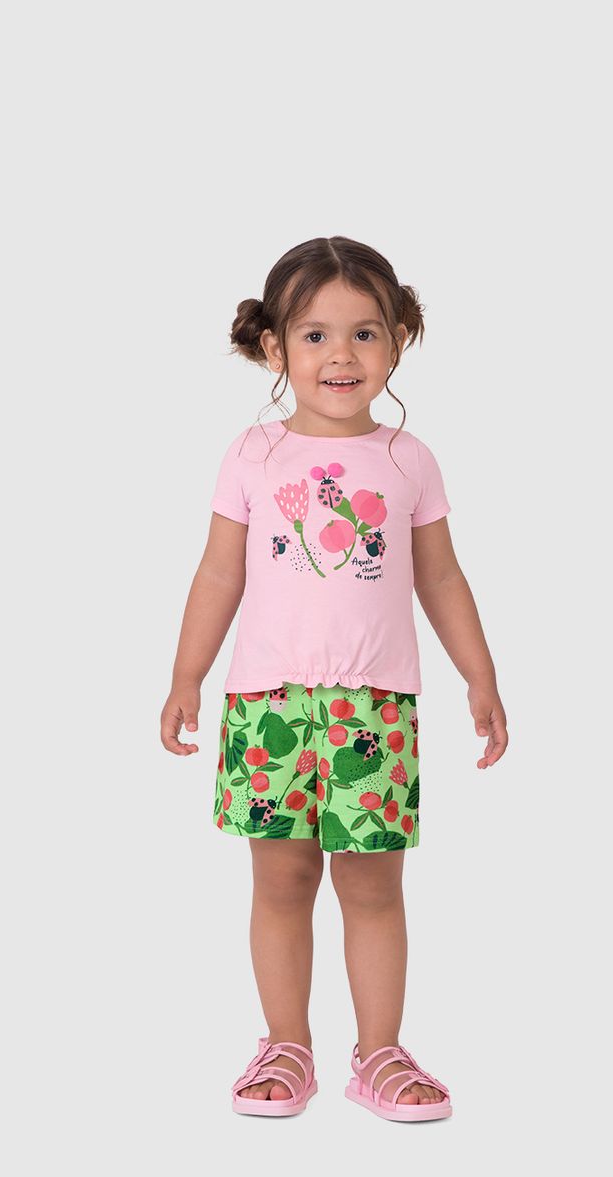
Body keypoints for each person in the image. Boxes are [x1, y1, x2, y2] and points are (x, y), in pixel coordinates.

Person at [160, 235, 508, 1121]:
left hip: (374, 708)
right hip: (267, 706)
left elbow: (440, 578)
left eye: (364, 333)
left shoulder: (408, 459)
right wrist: (187, 675)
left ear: (398, 340)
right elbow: (218, 574)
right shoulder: (251, 454)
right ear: (273, 347)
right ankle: (287, 1045)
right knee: (281, 883)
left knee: (372, 886)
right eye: (315, 335)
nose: (340, 355)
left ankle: (379, 1053)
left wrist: (479, 675)